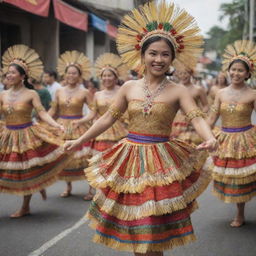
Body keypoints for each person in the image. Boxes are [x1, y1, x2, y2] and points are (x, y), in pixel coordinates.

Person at [64, 2, 217, 255]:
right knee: (135, 225)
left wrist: (210, 137)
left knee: (154, 227)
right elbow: (106, 120)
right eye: (153, 53)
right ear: (142, 55)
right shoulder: (128, 88)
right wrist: (79, 139)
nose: (158, 59)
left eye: (165, 54)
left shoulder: (178, 90)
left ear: (172, 58)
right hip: (129, 158)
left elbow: (197, 117)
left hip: (162, 162)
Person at [0, 44, 69, 218]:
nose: (9, 75)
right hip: (6, 134)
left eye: (13, 72)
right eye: (8, 72)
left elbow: (42, 113)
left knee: (26, 172)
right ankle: (38, 186)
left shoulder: (32, 94)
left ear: (22, 76)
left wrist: (56, 125)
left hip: (25, 135)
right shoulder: (3, 95)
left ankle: (25, 206)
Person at [207, 40, 256, 228]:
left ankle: (240, 213)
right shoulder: (220, 93)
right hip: (225, 139)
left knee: (245, 178)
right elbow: (211, 118)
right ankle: (239, 210)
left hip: (246, 139)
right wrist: (202, 134)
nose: (236, 73)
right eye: (233, 69)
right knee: (234, 178)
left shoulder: (253, 94)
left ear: (247, 74)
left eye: (240, 70)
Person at [48, 50, 93, 200]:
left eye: (74, 73)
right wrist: (43, 123)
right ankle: (68, 187)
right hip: (62, 127)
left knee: (84, 158)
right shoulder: (59, 91)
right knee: (65, 158)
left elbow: (93, 111)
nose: (71, 76)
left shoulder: (85, 92)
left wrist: (83, 121)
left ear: (79, 76)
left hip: (79, 127)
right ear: (65, 75)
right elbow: (53, 110)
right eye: (69, 73)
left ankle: (90, 189)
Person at [73, 53, 128, 154]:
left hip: (120, 130)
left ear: (116, 77)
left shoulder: (122, 91)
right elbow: (92, 114)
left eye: (109, 75)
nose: (106, 78)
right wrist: (80, 121)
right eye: (104, 76)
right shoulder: (97, 94)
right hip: (101, 130)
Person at [171, 62, 209, 144]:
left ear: (191, 74)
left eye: (186, 73)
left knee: (194, 145)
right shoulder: (175, 89)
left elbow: (206, 106)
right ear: (178, 75)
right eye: (181, 73)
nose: (183, 76)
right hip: (179, 121)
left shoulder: (198, 89)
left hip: (195, 121)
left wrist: (199, 116)